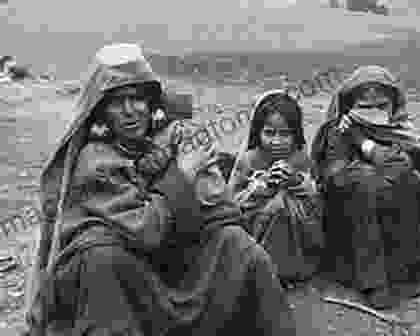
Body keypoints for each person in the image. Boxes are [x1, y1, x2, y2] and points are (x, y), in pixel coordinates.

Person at [25, 43, 297, 336]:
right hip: (126, 268)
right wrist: (182, 174)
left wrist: (197, 178)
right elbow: (146, 229)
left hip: (170, 252)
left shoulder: (171, 136)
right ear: (102, 111)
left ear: (151, 103)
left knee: (238, 245)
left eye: (137, 99)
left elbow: (219, 206)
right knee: (101, 257)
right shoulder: (96, 161)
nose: (130, 111)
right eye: (117, 102)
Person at [311, 65, 420, 309]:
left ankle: (407, 271)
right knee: (366, 190)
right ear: (349, 106)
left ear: (394, 106)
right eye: (364, 106)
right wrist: (374, 173)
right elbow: (337, 177)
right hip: (349, 210)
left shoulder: (400, 129)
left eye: (381, 106)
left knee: (411, 182)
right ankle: (372, 282)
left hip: (392, 193)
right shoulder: (336, 132)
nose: (374, 112)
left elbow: (405, 164)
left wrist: (363, 143)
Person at [231, 90, 323, 286]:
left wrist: (296, 181)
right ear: (258, 132)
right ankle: (261, 269)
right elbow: (232, 202)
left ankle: (292, 270)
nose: (276, 141)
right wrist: (261, 186)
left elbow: (316, 199)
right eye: (269, 133)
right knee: (275, 206)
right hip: (257, 227)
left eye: (285, 134)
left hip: (296, 229)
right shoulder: (250, 159)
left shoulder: (301, 158)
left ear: (296, 134)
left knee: (283, 205)